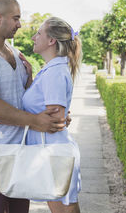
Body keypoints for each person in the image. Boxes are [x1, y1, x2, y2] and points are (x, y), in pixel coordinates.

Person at [0, 0, 68, 213]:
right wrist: (35, 122)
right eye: (16, 18)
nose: (20, 25)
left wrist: (56, 115)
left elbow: (25, 97)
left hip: (19, 148)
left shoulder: (15, 53)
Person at [23, 17, 82, 213]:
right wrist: (30, 79)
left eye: (38, 33)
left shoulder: (55, 72)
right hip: (51, 152)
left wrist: (15, 121)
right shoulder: (50, 70)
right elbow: (54, 112)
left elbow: (56, 120)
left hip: (54, 153)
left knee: (65, 209)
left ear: (51, 41)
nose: (33, 37)